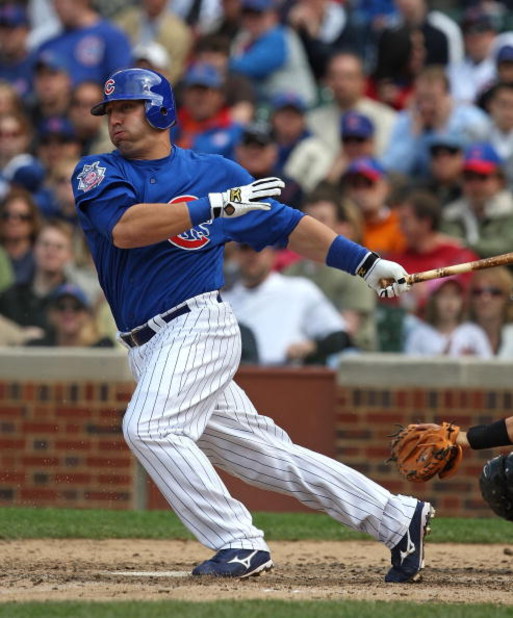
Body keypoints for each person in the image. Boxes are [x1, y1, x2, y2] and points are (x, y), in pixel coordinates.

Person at [72, 66, 433, 583]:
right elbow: (126, 229)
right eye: (110, 111)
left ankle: (238, 542)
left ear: (160, 111)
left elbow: (287, 225)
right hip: (147, 343)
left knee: (148, 427)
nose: (116, 120)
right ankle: (397, 517)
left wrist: (367, 264)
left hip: (198, 325)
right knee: (266, 457)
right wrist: (214, 206)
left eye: (127, 108)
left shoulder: (214, 171)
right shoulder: (99, 172)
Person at [223, 242, 351, 365]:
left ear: (273, 254)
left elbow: (338, 336)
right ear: (236, 255)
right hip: (240, 378)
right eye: (245, 248)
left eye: (260, 247)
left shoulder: (299, 289)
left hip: (290, 375)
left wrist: (311, 347)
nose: (252, 255)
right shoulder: (222, 301)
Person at [441, 142, 513, 259]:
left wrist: (463, 245)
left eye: (482, 177)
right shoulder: (451, 214)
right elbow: (448, 251)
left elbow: (507, 249)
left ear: (500, 180)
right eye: (468, 178)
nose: (475, 185)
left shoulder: (510, 210)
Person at [404, 277, 493, 358]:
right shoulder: (419, 335)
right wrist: (439, 363)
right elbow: (411, 371)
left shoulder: (474, 333)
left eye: (455, 295)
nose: (450, 301)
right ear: (432, 301)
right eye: (444, 295)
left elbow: (489, 368)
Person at [25, 282, 115, 347]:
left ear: (87, 314)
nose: (68, 313)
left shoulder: (102, 348)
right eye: (61, 307)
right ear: (50, 314)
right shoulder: (38, 348)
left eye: (77, 307)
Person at [467, 266, 513, 358]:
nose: (485, 298)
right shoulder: (459, 336)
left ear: (507, 298)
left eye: (494, 292)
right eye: (478, 292)